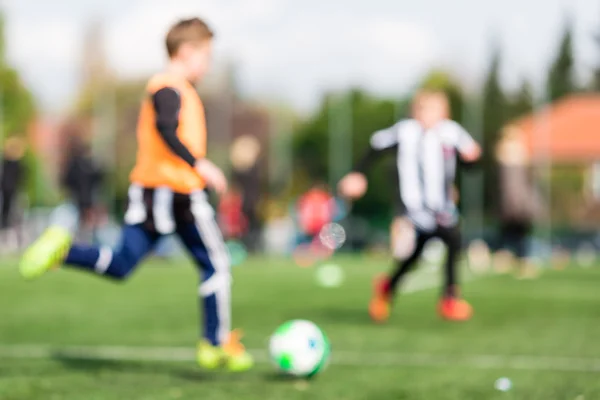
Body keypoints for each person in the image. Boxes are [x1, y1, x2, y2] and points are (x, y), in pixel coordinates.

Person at [19, 17, 253, 372]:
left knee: (123, 263)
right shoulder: (169, 87)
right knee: (216, 264)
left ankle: (63, 251)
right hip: (177, 193)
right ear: (187, 51)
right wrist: (199, 163)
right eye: (205, 55)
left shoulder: (172, 88)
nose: (207, 64)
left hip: (149, 190)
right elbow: (165, 127)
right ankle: (215, 343)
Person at [339, 90, 481, 323]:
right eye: (423, 109)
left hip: (441, 205)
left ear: (444, 112)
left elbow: (470, 164)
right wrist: (357, 174)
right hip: (414, 206)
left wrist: (473, 158)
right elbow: (375, 148)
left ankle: (388, 288)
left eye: (435, 109)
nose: (428, 115)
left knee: (420, 252)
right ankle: (449, 298)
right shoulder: (405, 131)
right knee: (450, 237)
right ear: (415, 111)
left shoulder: (451, 132)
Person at [61, 139, 105, 243]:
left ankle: (81, 240)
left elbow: (66, 180)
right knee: (84, 221)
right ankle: (85, 240)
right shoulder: (90, 165)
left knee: (83, 221)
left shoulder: (75, 165)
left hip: (79, 197)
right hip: (85, 197)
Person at [0, 137, 26, 248]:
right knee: (6, 215)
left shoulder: (17, 164)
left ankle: (15, 239)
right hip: (6, 193)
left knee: (15, 216)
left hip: (13, 193)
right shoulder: (5, 163)